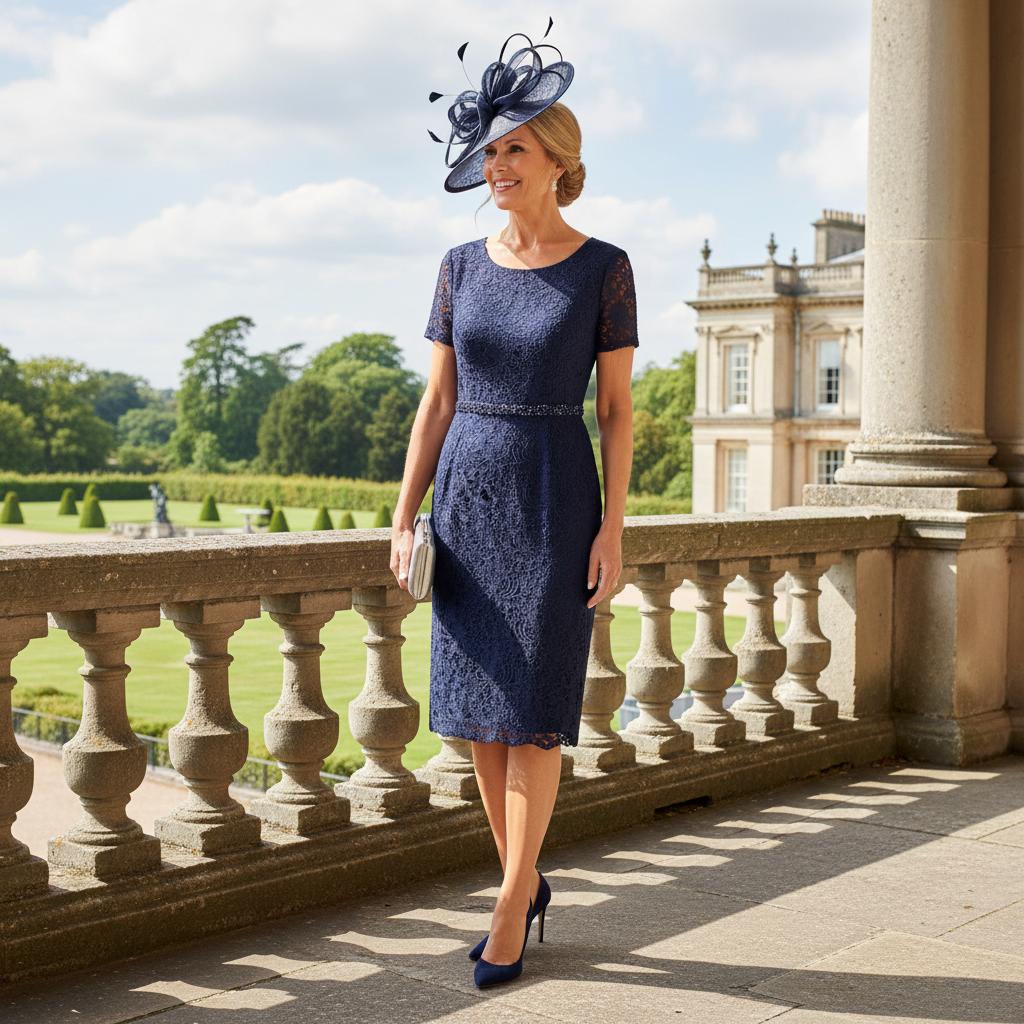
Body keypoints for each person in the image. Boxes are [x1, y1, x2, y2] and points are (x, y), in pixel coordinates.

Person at [390, 20, 639, 989]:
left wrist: (612, 527)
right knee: (472, 716)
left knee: (532, 712)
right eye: (488, 150)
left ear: (555, 162)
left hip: (553, 488)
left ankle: (506, 899)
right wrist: (404, 513)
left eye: (513, 149)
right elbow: (436, 401)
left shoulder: (601, 267)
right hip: (468, 492)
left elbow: (616, 411)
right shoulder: (457, 265)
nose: (496, 164)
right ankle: (524, 876)